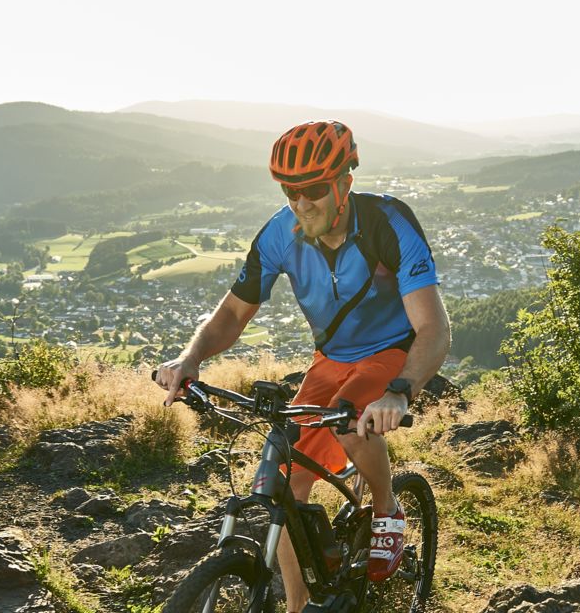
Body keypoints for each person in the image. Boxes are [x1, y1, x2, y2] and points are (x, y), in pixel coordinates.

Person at [154, 119, 450, 610]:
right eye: (291, 189)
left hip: (392, 351)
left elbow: (434, 329)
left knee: (352, 421)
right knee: (285, 481)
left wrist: (399, 391)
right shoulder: (279, 233)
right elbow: (232, 313)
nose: (301, 201)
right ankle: (299, 605)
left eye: (313, 188)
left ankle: (387, 509)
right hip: (331, 358)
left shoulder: (387, 223)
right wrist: (191, 358)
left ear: (343, 185)